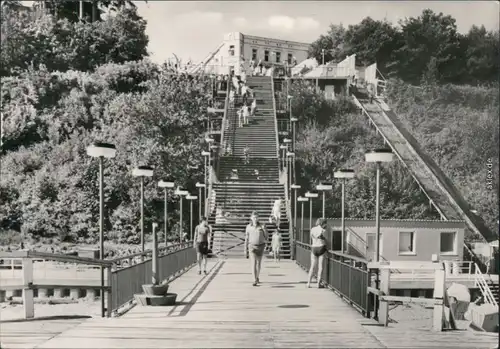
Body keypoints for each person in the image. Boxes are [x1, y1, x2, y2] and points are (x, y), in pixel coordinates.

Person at [244, 211, 268, 286]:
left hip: (260, 246)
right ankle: (254, 279)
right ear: (251, 218)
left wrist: (265, 230)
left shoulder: (262, 226)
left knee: (258, 263)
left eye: (256, 217)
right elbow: (246, 238)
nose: (255, 219)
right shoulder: (248, 227)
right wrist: (245, 249)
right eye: (254, 217)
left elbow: (267, 236)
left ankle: (257, 277)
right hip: (251, 246)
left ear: (258, 218)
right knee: (253, 263)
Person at [307, 218, 328, 288]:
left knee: (312, 266)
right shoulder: (324, 230)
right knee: (320, 267)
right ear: (323, 223)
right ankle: (318, 283)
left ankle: (308, 283)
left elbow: (311, 238)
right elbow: (327, 240)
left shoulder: (312, 229)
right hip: (321, 248)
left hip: (314, 248)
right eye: (325, 223)